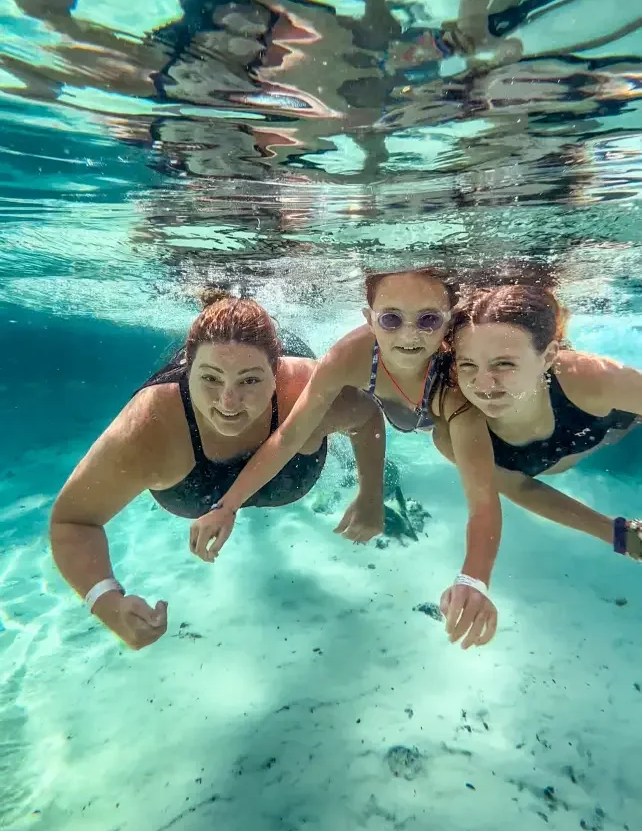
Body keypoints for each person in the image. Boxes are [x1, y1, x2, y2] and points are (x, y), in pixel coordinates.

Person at [187, 267, 503, 651]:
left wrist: (473, 580)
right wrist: (227, 506)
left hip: (443, 420)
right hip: (401, 407)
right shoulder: (350, 356)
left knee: (458, 450)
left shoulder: (455, 388)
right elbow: (289, 436)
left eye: (428, 320)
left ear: (449, 320)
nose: (409, 335)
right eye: (391, 319)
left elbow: (482, 501)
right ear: (369, 318)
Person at [50, 290, 386, 650]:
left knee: (316, 415)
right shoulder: (150, 426)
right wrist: (107, 603)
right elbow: (72, 522)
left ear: (276, 374)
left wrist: (371, 494)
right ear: (187, 369)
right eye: (210, 379)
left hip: (282, 382)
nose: (228, 402)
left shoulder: (304, 389)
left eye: (250, 381)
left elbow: (366, 417)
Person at [435, 282, 642, 558]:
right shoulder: (455, 434)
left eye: (504, 363)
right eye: (468, 365)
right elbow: (521, 487)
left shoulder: (586, 378)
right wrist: (618, 534)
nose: (483, 384)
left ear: (548, 357)